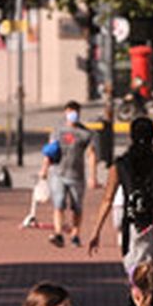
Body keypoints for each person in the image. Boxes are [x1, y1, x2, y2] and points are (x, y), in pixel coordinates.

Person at [86, 117, 153, 275]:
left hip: (132, 226)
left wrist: (96, 231)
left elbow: (107, 199)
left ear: (131, 136)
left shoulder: (120, 165)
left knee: (135, 275)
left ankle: (136, 298)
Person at [39, 100, 98, 248]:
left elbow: (91, 155)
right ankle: (58, 233)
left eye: (75, 111)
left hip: (76, 176)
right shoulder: (58, 132)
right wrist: (44, 169)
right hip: (58, 173)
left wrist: (93, 177)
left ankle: (75, 234)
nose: (73, 114)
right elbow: (49, 152)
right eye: (70, 111)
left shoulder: (85, 134)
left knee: (77, 207)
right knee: (58, 204)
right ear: (65, 112)